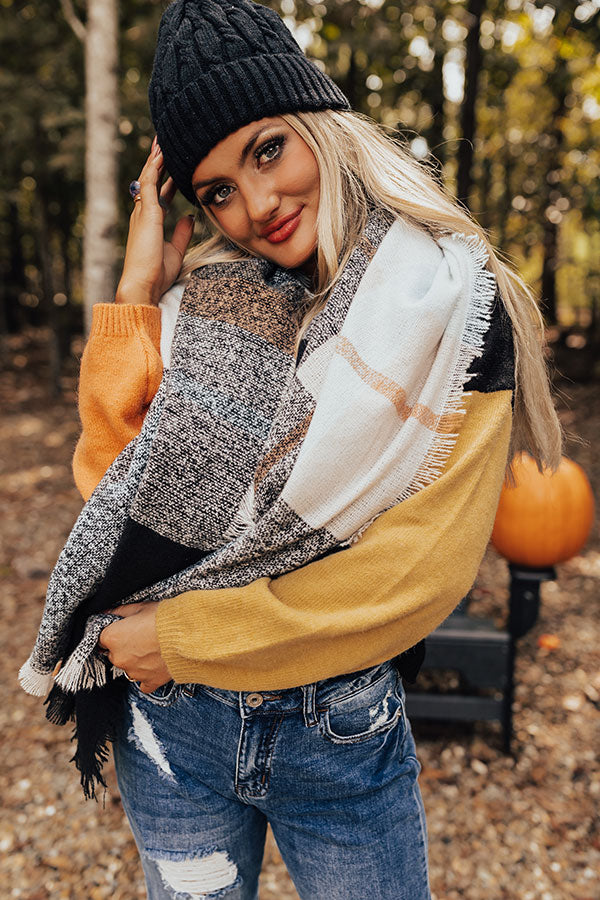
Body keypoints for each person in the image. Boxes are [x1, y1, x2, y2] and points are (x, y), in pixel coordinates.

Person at [20, 1, 562, 898]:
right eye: (218, 190)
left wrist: (188, 635)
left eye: (268, 149)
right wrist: (134, 295)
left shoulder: (453, 309)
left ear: (322, 125)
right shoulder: (223, 304)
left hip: (334, 731)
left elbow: (413, 577)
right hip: (174, 731)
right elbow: (113, 494)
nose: (257, 205)